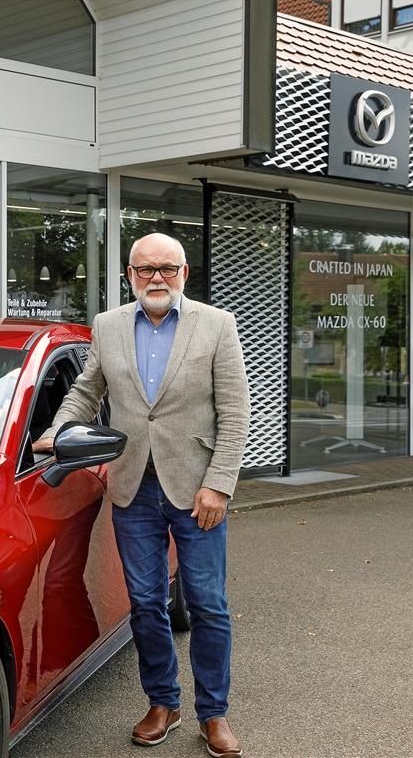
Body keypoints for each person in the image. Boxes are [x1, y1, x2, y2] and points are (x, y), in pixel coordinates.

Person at [34, 233, 250, 757]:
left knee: (208, 605)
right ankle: (163, 703)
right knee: (146, 603)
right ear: (129, 274)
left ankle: (213, 713)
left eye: (168, 268)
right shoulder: (108, 327)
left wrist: (219, 484)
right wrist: (61, 433)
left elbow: (237, 412)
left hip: (197, 491)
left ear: (184, 274)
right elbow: (87, 390)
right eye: (146, 268)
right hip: (132, 486)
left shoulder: (217, 325)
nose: (158, 277)